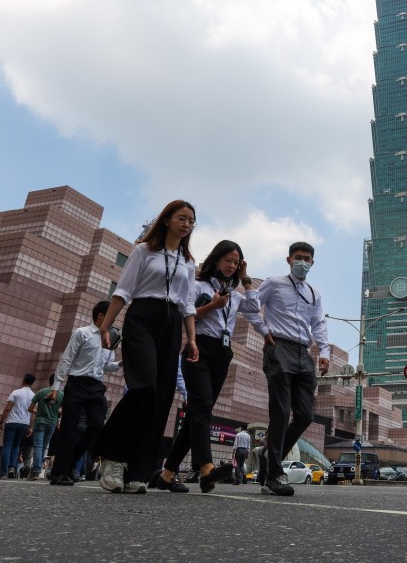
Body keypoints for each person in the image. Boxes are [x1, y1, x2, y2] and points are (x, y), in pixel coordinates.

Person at [92, 200, 199, 495]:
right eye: (181, 218)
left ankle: (138, 468)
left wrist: (191, 339)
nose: (186, 224)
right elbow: (123, 290)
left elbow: (188, 304)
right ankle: (112, 457)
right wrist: (106, 327)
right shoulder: (143, 251)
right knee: (143, 388)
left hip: (172, 324)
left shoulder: (188, 262)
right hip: (141, 318)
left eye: (191, 220)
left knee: (162, 397)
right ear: (166, 220)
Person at [154, 240, 259, 494]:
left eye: (236, 263)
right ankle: (207, 469)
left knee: (196, 414)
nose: (232, 266)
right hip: (197, 347)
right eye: (228, 261)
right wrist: (212, 306)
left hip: (222, 354)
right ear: (216, 259)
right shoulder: (198, 284)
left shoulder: (234, 295)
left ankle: (167, 474)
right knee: (201, 408)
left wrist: (246, 281)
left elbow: (254, 307)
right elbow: (185, 314)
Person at [246, 242, 330, 497]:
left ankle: (267, 456)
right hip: (278, 346)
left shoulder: (314, 293)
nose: (302, 262)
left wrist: (324, 352)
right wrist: (264, 331)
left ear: (312, 263)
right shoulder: (274, 282)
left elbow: (319, 324)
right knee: (281, 411)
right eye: (298, 258)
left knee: (305, 415)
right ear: (289, 259)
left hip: (304, 353)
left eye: (307, 259)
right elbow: (250, 307)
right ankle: (273, 475)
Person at [47, 300, 121, 486]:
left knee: (96, 426)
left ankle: (70, 464)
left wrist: (120, 364)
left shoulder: (110, 339)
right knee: (69, 429)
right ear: (101, 315)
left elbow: (105, 366)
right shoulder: (82, 333)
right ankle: (59, 473)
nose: (114, 320)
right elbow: (66, 359)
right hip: (77, 384)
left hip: (96, 387)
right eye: (111, 315)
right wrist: (56, 388)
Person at [0, 373, 36, 478]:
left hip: (12, 422)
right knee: (16, 445)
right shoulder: (33, 395)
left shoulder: (16, 392)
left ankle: (3, 472)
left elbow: (8, 408)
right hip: (24, 424)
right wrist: (31, 427)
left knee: (7, 446)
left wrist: (0, 422)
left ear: (23, 380)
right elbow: (33, 413)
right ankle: (12, 468)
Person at [27, 375, 62, 481]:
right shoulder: (61, 395)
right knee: (44, 446)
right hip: (52, 423)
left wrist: (38, 412)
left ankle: (36, 471)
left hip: (40, 421)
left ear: (49, 381)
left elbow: (30, 409)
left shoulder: (41, 392)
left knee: (38, 446)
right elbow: (62, 411)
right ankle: (37, 470)